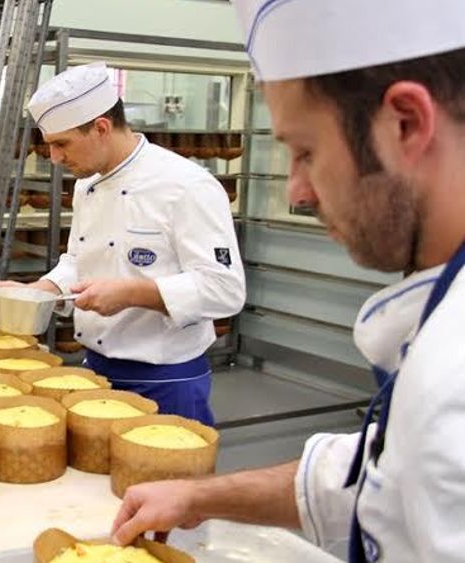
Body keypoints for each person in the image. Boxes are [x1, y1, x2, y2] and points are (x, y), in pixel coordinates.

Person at [110, 2, 465, 561]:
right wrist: (200, 494)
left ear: (406, 123)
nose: (296, 190)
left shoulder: (455, 382)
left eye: (305, 151)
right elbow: (380, 470)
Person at [0, 62, 246, 425]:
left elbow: (225, 290)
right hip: (94, 370)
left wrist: (130, 293)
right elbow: (79, 260)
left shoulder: (186, 186)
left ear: (101, 128)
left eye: (62, 144)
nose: (56, 159)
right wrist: (38, 291)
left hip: (165, 381)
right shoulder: (86, 185)